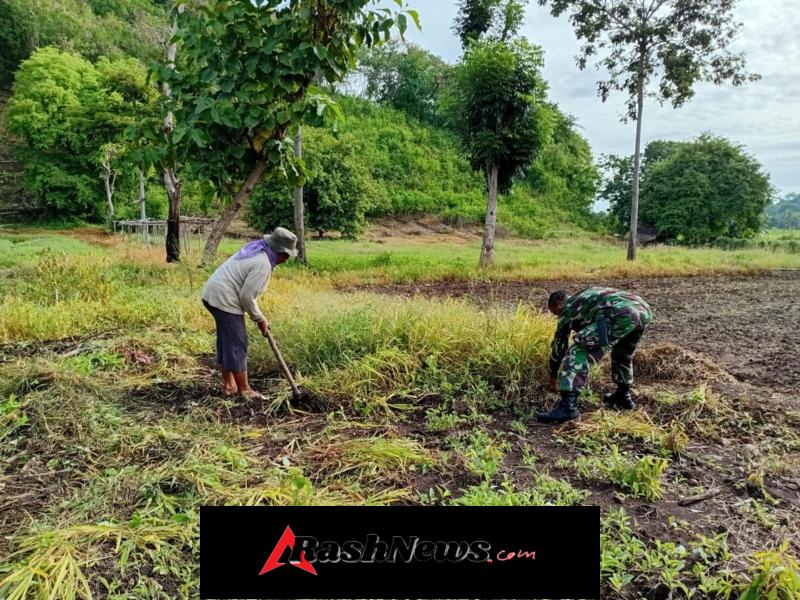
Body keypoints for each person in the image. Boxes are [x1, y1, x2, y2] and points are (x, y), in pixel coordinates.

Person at [202, 227, 298, 400]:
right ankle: (244, 389)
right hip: (224, 300)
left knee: (226, 340)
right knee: (238, 342)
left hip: (213, 294)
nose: (288, 258)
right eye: (288, 254)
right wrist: (259, 318)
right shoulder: (263, 263)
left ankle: (229, 384)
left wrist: (257, 316)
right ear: (282, 253)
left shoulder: (259, 249)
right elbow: (246, 297)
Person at [538, 287, 653, 425]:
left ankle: (568, 408)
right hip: (642, 310)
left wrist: (552, 375)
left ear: (559, 303)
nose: (557, 316)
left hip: (619, 313)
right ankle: (623, 396)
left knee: (578, 350)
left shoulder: (568, 308)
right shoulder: (586, 295)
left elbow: (559, 346)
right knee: (622, 353)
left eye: (554, 312)